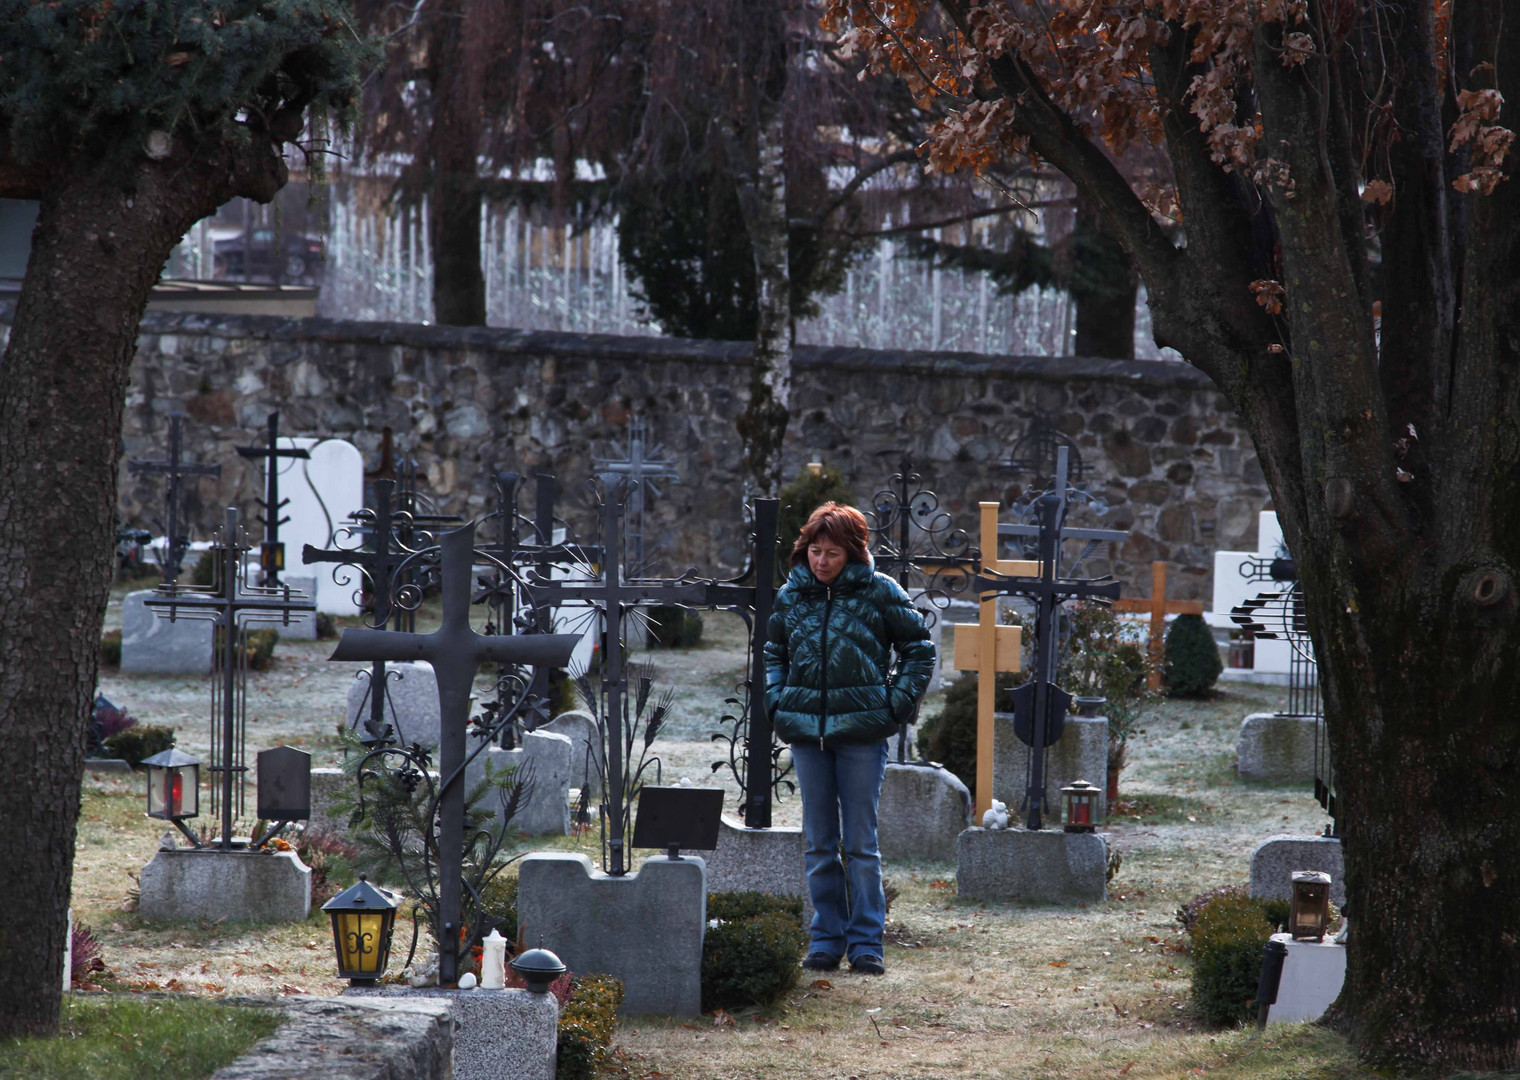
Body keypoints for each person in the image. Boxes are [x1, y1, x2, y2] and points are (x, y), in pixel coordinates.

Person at [764, 502, 935, 975]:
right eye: (815, 551)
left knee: (860, 843)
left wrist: (893, 706)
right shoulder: (792, 594)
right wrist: (778, 701)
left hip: (861, 735)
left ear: (853, 553)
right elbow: (773, 651)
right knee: (819, 842)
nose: (821, 561)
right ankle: (825, 941)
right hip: (807, 735)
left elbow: (919, 650)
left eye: (832, 553)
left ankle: (865, 945)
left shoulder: (880, 591)